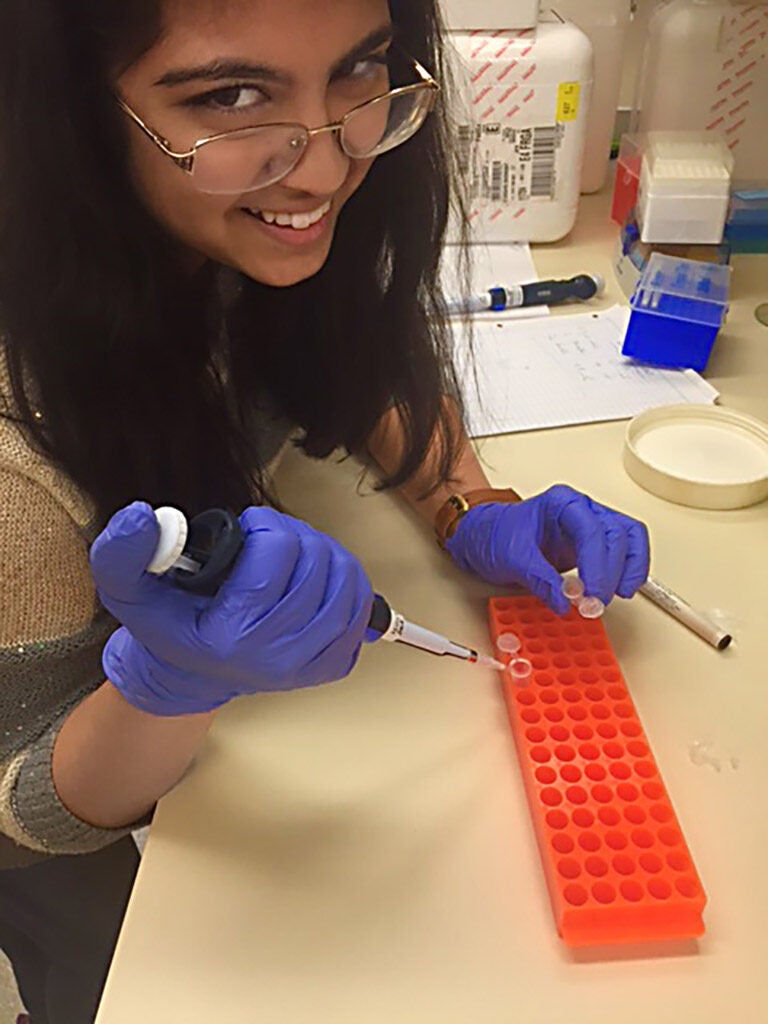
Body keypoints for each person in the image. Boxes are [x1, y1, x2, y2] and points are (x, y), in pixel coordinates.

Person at [0, 0, 650, 1020]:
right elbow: (19, 818)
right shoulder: (15, 440)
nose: (326, 168)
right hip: (116, 884)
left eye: (360, 72)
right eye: (232, 95)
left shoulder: (238, 225)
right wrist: (168, 683)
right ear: (78, 109)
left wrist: (468, 503)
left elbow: (347, 357)